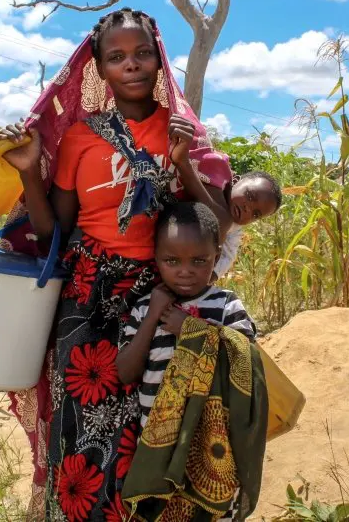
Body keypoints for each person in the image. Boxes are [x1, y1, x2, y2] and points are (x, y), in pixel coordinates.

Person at [0, 8, 232, 521]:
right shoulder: (80, 137)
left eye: (143, 53)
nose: (132, 65)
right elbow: (52, 230)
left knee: (152, 427)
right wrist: (31, 170)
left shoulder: (181, 134)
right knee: (79, 426)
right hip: (85, 300)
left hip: (159, 295)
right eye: (117, 57)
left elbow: (218, 225)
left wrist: (183, 163)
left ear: (158, 58)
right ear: (99, 70)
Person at [116, 202, 266, 521]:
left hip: (216, 444)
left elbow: (246, 359)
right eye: (172, 261)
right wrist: (155, 312)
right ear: (156, 258)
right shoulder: (144, 310)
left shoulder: (226, 305)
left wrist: (190, 329)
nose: (185, 271)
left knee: (212, 509)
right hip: (157, 443)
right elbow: (125, 372)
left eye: (199, 260)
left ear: (216, 256)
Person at [166, 115, 283, 280]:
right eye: (249, 196)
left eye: (255, 214)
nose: (247, 208)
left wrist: (210, 276)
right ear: (235, 180)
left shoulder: (233, 227)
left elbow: (228, 255)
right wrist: (184, 163)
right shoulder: (217, 174)